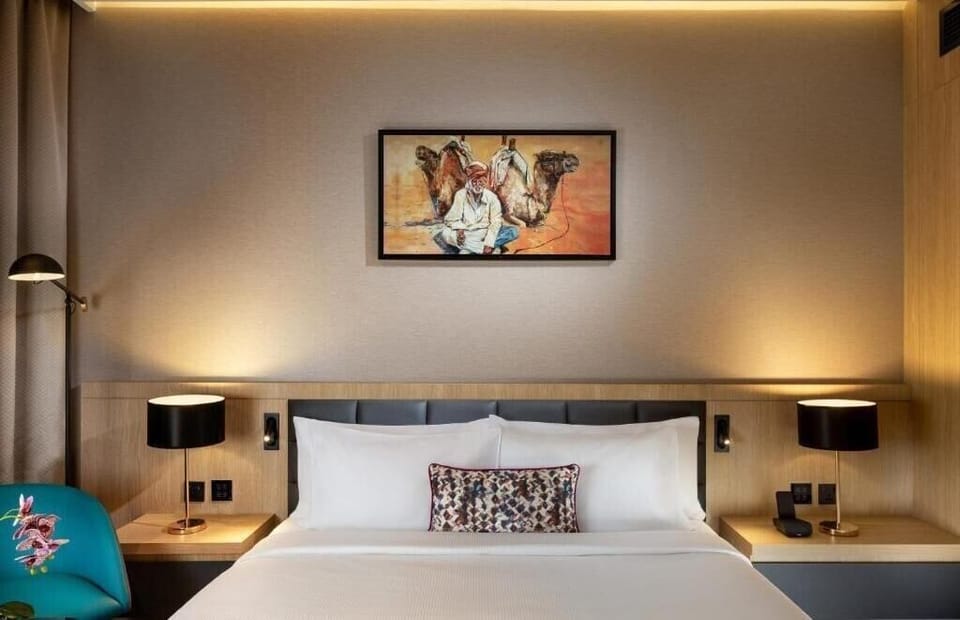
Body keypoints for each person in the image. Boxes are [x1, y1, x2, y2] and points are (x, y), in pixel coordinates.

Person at [433, 161, 519, 255]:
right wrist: (460, 229)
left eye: (481, 181)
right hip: (467, 233)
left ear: (485, 182)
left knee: (512, 231)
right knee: (445, 233)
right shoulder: (461, 195)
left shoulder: (492, 198)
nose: (477, 184)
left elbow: (495, 222)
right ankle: (487, 249)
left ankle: (469, 250)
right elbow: (450, 219)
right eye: (474, 181)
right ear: (469, 181)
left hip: (485, 233)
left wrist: (489, 243)